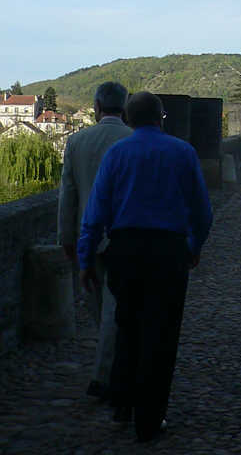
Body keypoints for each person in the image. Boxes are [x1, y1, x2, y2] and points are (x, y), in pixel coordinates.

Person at [77, 91, 213, 443]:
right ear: (162, 117)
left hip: (125, 250)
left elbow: (95, 214)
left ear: (129, 117)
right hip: (168, 253)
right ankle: (150, 420)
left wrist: (85, 258)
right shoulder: (183, 152)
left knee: (127, 325)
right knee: (161, 334)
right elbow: (202, 211)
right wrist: (193, 247)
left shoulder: (116, 153)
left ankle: (123, 405)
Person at [58, 81, 132, 401]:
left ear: (97, 107)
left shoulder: (76, 142)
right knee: (116, 310)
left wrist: (66, 238)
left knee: (99, 308)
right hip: (124, 238)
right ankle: (112, 371)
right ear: (124, 108)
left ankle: (104, 375)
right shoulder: (134, 140)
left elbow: (68, 196)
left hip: (87, 238)